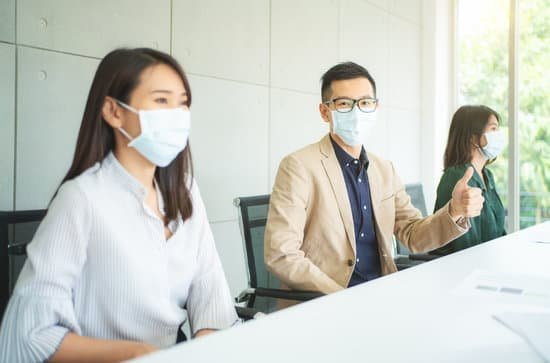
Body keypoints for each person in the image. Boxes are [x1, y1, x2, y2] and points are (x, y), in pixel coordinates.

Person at [0, 48, 237, 362]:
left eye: (183, 103)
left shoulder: (186, 191)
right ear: (113, 111)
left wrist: (206, 344)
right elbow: (30, 334)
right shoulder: (82, 199)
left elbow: (211, 295)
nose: (177, 115)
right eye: (162, 101)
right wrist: (137, 353)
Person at [264, 62, 484, 294]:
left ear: (376, 108)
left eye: (365, 103)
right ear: (324, 111)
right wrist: (342, 297)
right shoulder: (299, 166)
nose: (356, 112)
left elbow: (412, 234)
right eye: (344, 104)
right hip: (323, 301)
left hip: (380, 294)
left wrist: (455, 211)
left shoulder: (383, 169)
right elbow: (281, 253)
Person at [430, 105, 506, 256]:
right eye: (493, 129)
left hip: (491, 261)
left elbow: (499, 231)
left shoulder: (487, 175)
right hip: (465, 269)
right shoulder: (455, 177)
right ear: (472, 138)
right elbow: (463, 246)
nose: (499, 135)